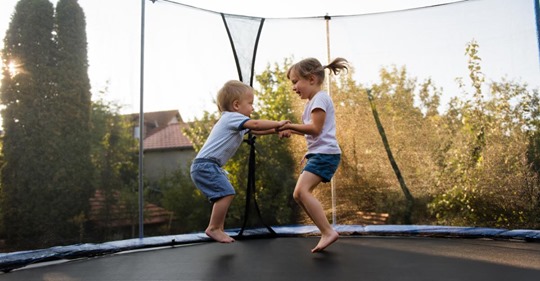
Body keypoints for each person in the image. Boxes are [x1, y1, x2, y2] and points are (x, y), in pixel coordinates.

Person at [191, 80, 290, 243]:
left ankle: (218, 228)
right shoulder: (231, 118)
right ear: (236, 105)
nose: (253, 108)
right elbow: (257, 124)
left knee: (224, 194)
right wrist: (279, 123)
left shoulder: (234, 121)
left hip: (207, 165)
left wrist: (277, 130)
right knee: (227, 193)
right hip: (205, 165)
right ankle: (214, 228)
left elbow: (258, 130)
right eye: (250, 103)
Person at [278, 57, 348, 253]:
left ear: (311, 79)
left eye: (295, 81)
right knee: (299, 194)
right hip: (319, 154)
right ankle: (326, 231)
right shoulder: (312, 102)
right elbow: (313, 131)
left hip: (326, 155)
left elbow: (315, 129)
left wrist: (290, 125)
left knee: (301, 192)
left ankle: (327, 231)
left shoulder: (320, 99)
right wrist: (292, 131)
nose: (293, 87)